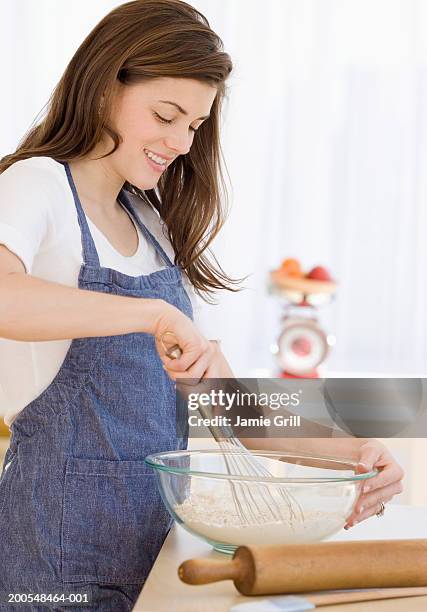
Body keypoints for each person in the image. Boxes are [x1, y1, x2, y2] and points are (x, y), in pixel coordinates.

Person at [0, 0, 403, 610]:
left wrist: (347, 453)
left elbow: (222, 405)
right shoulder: (39, 185)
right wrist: (153, 315)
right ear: (106, 83)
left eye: (193, 125)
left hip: (154, 545)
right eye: (166, 115)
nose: (180, 142)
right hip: (53, 548)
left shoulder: (151, 223)